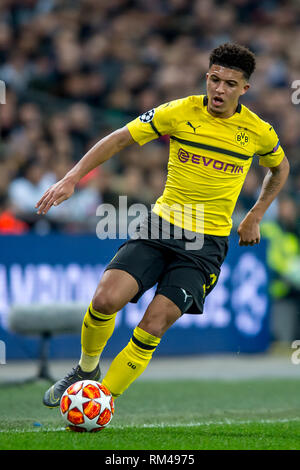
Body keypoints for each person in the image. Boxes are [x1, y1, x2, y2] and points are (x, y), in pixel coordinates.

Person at [36, 43, 289, 407]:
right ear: (207, 77)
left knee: (153, 324)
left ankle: (100, 401)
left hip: (207, 244)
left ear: (244, 89)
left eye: (230, 84)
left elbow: (280, 169)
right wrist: (73, 177)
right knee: (105, 299)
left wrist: (256, 213)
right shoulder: (179, 112)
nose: (219, 90)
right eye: (214, 80)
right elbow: (120, 137)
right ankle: (86, 370)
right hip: (161, 227)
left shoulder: (258, 132)